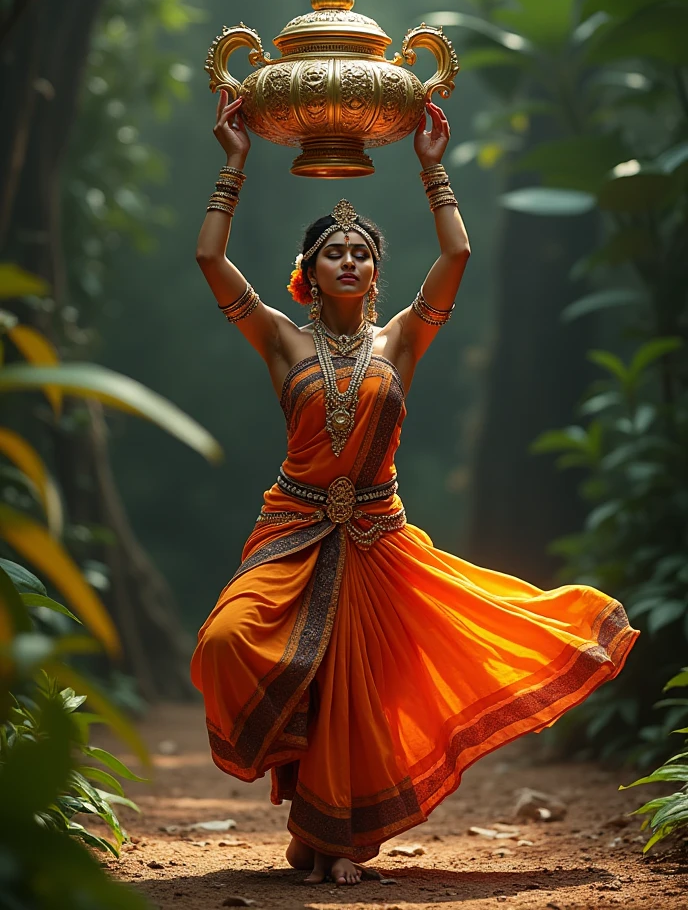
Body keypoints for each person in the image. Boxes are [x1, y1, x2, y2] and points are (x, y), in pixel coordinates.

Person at [190, 89, 639, 887]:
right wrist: (235, 164)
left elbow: (457, 256)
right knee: (229, 642)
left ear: (376, 270)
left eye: (363, 251)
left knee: (356, 695)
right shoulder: (280, 338)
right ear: (308, 273)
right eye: (336, 252)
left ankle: (327, 839)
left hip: (377, 538)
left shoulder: (403, 338)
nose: (352, 261)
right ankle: (304, 804)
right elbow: (209, 262)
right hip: (291, 529)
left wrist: (435, 171)